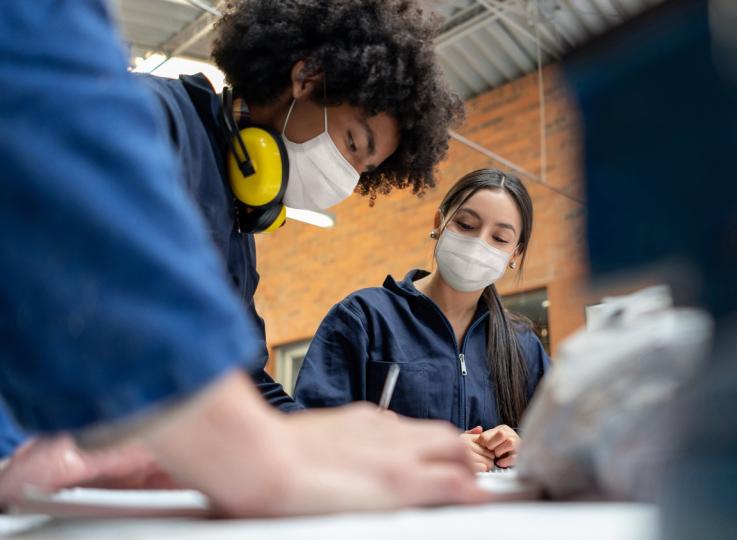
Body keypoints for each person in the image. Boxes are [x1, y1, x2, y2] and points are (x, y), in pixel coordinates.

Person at [0, 0, 483, 515]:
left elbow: (241, 375)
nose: (345, 178)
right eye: (351, 142)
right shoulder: (155, 119)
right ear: (307, 77)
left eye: (362, 170)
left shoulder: (239, 224)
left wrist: (312, 435)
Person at [294, 169, 551, 472]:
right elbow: (311, 435)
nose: (479, 243)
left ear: (515, 254)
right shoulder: (364, 318)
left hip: (491, 516)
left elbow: (568, 441)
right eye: (466, 225)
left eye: (499, 238)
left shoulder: (524, 347)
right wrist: (424, 451)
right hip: (389, 515)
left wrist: (526, 447)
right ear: (439, 224)